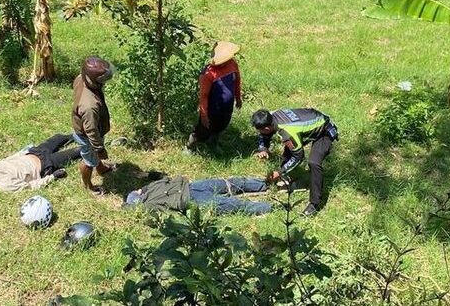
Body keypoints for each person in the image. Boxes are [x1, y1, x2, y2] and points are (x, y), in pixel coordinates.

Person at [251, 108, 339, 217]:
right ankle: (287, 178)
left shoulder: (288, 132)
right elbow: (265, 134)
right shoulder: (272, 115)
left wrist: (279, 172)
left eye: (261, 130)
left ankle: (315, 203)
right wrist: (263, 148)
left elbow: (298, 156)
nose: (259, 133)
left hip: (324, 131)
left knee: (314, 162)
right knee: (290, 148)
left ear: (268, 127)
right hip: (309, 122)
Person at [0, 134, 81, 192]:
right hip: (45, 165)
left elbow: (9, 160)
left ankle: (76, 135)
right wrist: (52, 177)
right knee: (76, 152)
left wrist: (23, 151)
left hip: (34, 153)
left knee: (59, 138)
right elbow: (30, 186)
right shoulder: (4, 184)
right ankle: (94, 147)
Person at [72, 56, 116, 195]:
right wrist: (99, 149)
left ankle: (101, 168)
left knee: (92, 157)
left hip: (89, 126)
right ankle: (88, 186)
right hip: (87, 136)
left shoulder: (81, 78)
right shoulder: (90, 106)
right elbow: (91, 130)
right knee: (88, 161)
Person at [186, 41, 243, 149]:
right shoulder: (209, 74)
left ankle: (213, 143)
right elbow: (204, 95)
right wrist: (204, 115)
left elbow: (237, 81)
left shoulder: (233, 64)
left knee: (221, 125)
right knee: (203, 130)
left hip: (227, 107)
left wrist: (238, 98)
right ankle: (190, 146)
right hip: (212, 108)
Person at [124, 175, 272, 215]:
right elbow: (130, 208)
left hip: (192, 186)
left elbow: (164, 178)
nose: (137, 191)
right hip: (192, 200)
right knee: (235, 205)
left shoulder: (150, 187)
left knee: (231, 183)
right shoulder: (148, 205)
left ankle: (266, 184)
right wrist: (128, 204)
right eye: (136, 193)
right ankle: (273, 207)